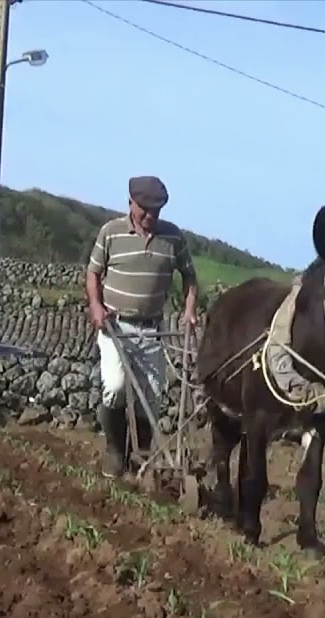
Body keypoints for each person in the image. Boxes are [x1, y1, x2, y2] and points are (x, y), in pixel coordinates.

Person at [86, 175, 198, 479]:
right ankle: (114, 452)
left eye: (156, 212)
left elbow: (189, 276)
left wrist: (189, 312)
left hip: (153, 330)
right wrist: (96, 306)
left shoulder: (172, 238)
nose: (149, 217)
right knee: (116, 388)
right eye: (144, 211)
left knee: (151, 396)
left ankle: (142, 456)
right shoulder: (110, 233)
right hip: (115, 327)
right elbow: (93, 273)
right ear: (130, 203)